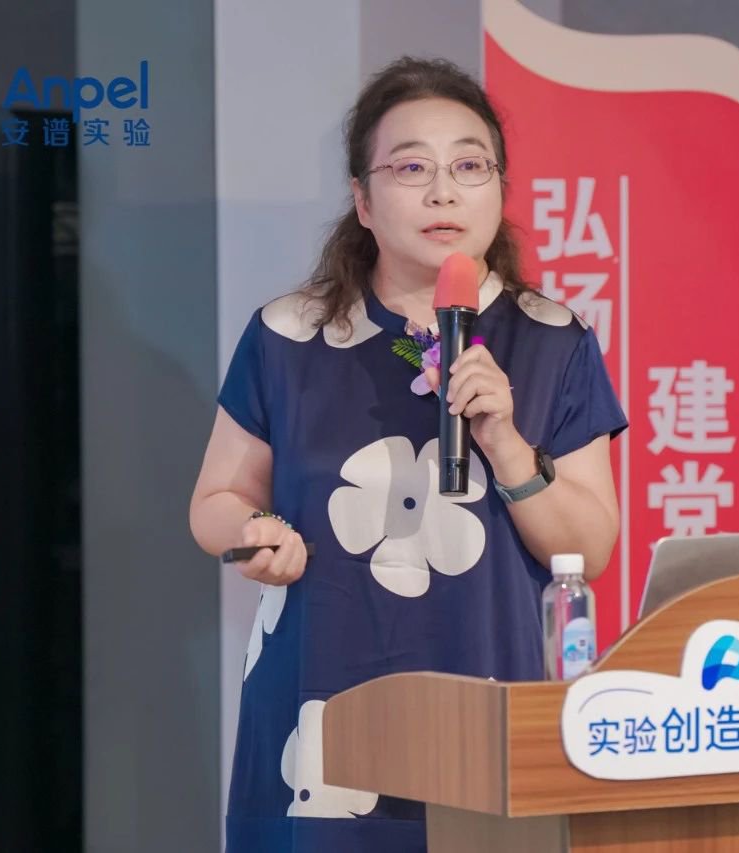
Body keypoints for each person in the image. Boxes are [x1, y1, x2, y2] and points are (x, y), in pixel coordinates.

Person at [189, 56, 627, 852]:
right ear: (363, 199)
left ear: (500, 190)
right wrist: (254, 536)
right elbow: (215, 503)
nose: (443, 191)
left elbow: (588, 549)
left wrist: (506, 443)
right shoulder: (288, 336)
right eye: (411, 168)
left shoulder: (555, 340)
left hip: (492, 709)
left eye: (470, 165)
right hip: (319, 718)